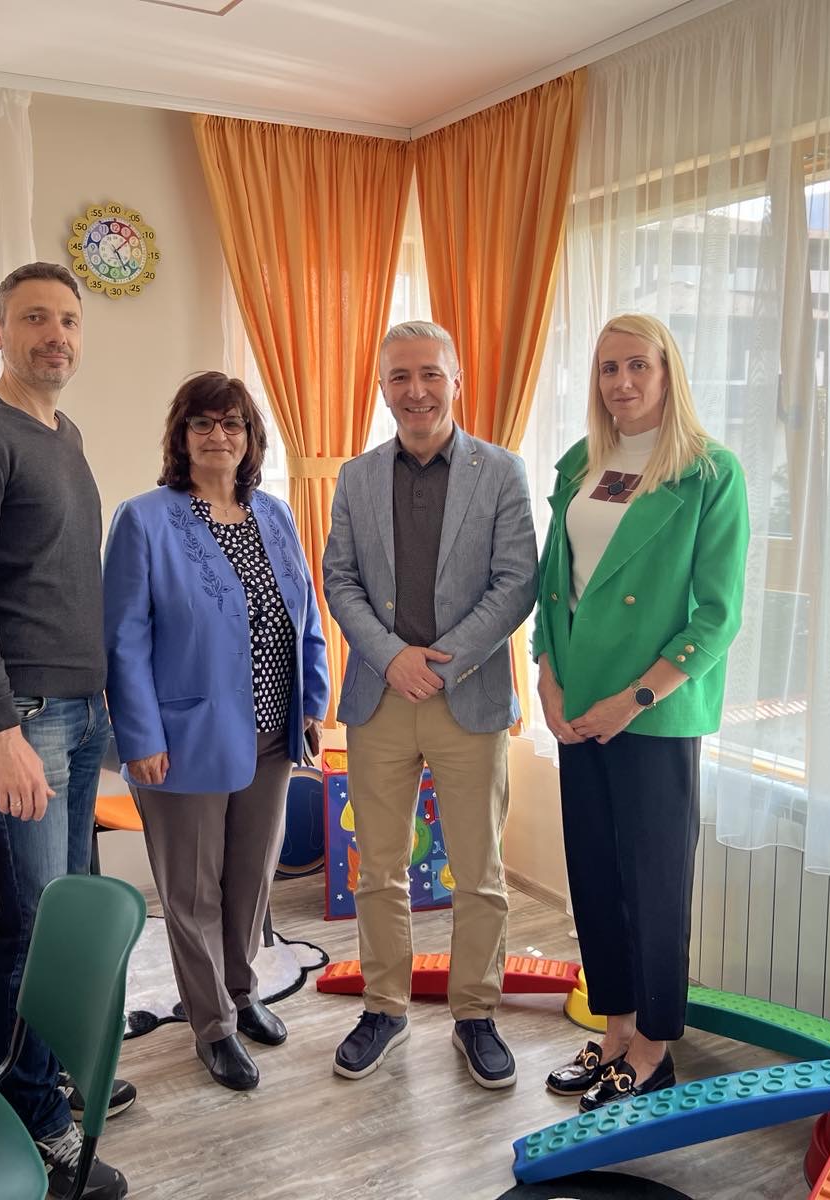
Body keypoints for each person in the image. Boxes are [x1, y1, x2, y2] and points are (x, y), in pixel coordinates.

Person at [0, 261, 130, 1200]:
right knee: (36, 922)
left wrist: (106, 706)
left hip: (77, 714)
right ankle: (32, 1116)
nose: (57, 335)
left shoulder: (64, 433)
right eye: (35, 318)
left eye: (70, 320)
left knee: (68, 916)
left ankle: (54, 1073)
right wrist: (0, 728)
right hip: (21, 719)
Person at [533, 313, 749, 1112]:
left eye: (636, 366)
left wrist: (638, 697)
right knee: (594, 875)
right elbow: (555, 583)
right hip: (578, 704)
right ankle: (616, 1029)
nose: (621, 382)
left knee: (654, 885)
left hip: (652, 711)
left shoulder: (708, 472)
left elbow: (718, 614)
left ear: (667, 372)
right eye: (607, 368)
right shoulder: (580, 461)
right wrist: (547, 676)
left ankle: (655, 1047)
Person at [322, 320, 538, 1089]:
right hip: (380, 696)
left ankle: (475, 1015)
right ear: (382, 389)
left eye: (430, 374)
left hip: (467, 695)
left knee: (478, 871)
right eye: (400, 377)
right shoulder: (356, 477)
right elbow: (339, 579)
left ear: (456, 380)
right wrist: (392, 656)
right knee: (380, 869)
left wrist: (441, 663)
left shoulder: (501, 472)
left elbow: (517, 582)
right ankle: (384, 1007)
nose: (416, 391)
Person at [102, 372, 330, 1092]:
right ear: (181, 435)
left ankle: (241, 989)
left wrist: (312, 702)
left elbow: (307, 616)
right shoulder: (144, 520)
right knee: (194, 889)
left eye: (232, 423)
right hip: (183, 738)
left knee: (252, 878)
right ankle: (212, 1025)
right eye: (201, 423)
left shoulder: (276, 515)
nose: (218, 436)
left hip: (272, 733)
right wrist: (140, 736)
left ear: (250, 437)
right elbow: (124, 641)